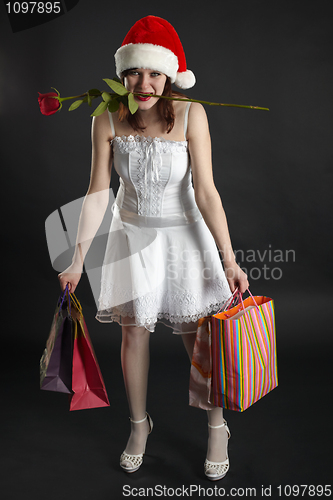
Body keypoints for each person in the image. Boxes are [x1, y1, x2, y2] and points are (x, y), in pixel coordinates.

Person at [58, 15, 249, 480]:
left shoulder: (190, 115)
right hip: (131, 239)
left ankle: (217, 426)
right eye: (135, 72)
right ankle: (139, 426)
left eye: (154, 73)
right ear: (122, 75)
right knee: (133, 333)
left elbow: (206, 191)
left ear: (169, 76)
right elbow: (97, 193)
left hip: (184, 238)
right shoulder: (105, 118)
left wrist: (229, 259)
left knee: (198, 335)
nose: (144, 83)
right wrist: (76, 259)